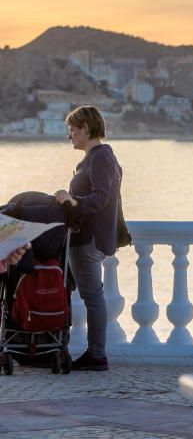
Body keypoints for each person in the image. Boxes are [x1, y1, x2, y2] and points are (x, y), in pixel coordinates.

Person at [55, 106, 124, 371]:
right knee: (76, 292)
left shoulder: (101, 157)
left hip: (89, 239)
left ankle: (97, 355)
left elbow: (101, 197)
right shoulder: (95, 157)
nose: (69, 135)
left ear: (86, 128)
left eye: (72, 129)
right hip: (83, 237)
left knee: (93, 297)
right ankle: (65, 345)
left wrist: (72, 200)